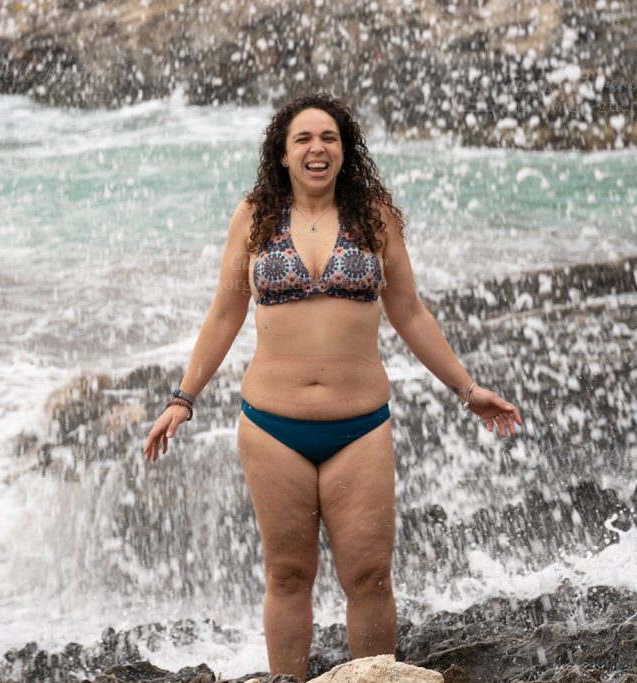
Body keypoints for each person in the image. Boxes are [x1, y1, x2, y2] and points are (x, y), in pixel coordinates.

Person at [142, 92, 522, 680]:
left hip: (360, 428)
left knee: (369, 577)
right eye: (303, 139)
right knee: (288, 575)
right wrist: (182, 400)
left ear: (345, 151)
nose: (316, 148)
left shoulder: (374, 215)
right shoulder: (254, 216)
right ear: (283, 153)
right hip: (272, 428)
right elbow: (224, 314)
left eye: (329, 138)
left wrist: (467, 390)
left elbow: (410, 312)